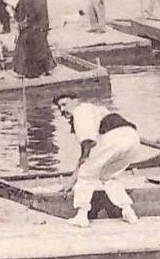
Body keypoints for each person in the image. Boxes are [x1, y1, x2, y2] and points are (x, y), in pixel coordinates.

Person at [54, 93, 142, 227]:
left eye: (64, 104)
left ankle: (82, 216)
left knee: (85, 175)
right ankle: (128, 212)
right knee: (108, 176)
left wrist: (74, 178)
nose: (62, 110)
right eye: (59, 107)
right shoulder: (95, 109)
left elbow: (87, 144)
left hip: (115, 138)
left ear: (76, 101)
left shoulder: (80, 111)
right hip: (133, 138)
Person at [12, 0, 56, 78]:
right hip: (38, 25)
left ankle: (33, 71)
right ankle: (43, 69)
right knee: (38, 47)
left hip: (37, 25)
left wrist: (26, 21)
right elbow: (33, 9)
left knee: (32, 48)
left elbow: (34, 10)